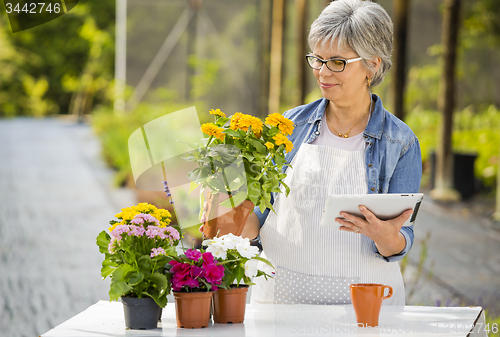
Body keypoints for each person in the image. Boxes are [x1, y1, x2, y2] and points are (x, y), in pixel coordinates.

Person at [241, 0, 422, 305]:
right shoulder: (289, 126)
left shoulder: (399, 142)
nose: (323, 72)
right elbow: (254, 224)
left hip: (366, 308)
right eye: (317, 59)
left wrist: (384, 234)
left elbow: (399, 243)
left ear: (372, 64)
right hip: (281, 300)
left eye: (337, 62)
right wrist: (229, 204)